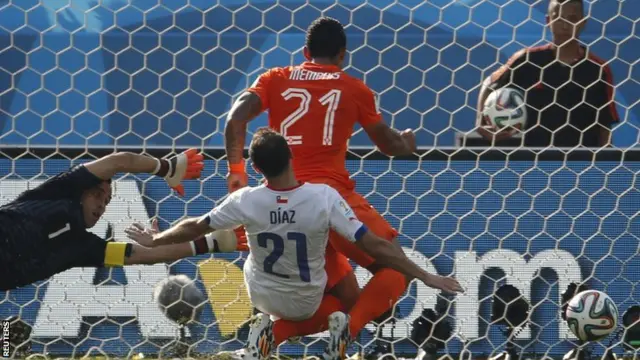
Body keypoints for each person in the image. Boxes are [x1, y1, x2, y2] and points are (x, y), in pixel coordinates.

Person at [223, 16, 451, 358]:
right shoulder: (353, 88)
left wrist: (237, 170)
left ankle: (270, 337)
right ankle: (347, 334)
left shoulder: (276, 79)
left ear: (304, 52)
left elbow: (235, 118)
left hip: (281, 207)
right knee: (394, 269)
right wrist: (406, 142)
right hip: (331, 201)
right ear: (342, 55)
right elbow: (387, 145)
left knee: (343, 296)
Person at [125, 128, 462, 360]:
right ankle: (288, 333)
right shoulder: (322, 200)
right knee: (347, 306)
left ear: (256, 168)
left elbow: (193, 232)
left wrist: (153, 241)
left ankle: (266, 335)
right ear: (291, 156)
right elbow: (375, 247)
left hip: (260, 294)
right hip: (304, 301)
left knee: (324, 277)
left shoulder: (246, 203)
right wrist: (427, 276)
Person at [0, 149, 236, 291]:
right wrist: (167, 167)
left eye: (108, 201)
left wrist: (208, 243)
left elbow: (145, 255)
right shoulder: (56, 192)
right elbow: (118, 161)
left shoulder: (84, 248)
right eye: (98, 194)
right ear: (81, 191)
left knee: (9, 336)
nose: (102, 205)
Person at [475, 0, 619, 148]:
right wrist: (480, 122)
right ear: (548, 21)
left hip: (581, 163)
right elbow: (489, 82)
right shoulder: (527, 59)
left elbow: (604, 126)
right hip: (533, 162)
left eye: (573, 18)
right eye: (559, 17)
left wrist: (603, 163)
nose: (565, 25)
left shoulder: (598, 69)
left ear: (583, 23)